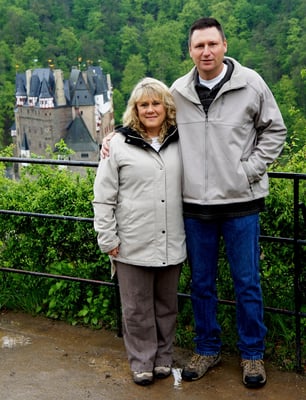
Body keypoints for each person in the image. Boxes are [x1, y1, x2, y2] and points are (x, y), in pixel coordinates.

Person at [101, 17, 287, 388]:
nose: (206, 51)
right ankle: (207, 348)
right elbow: (152, 121)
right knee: (201, 283)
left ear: (224, 45)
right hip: (195, 207)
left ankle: (252, 355)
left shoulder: (251, 84)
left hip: (241, 204)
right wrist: (114, 137)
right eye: (199, 46)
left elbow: (275, 130)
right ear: (190, 50)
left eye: (212, 44)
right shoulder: (179, 90)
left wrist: (248, 171)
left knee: (246, 283)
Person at [93, 77, 186, 386]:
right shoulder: (118, 145)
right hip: (131, 242)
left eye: (156, 103)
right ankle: (142, 361)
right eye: (143, 104)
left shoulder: (179, 140)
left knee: (166, 306)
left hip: (171, 239)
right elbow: (103, 196)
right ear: (134, 109)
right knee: (136, 309)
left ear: (166, 107)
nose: (150, 109)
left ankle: (163, 358)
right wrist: (107, 238)